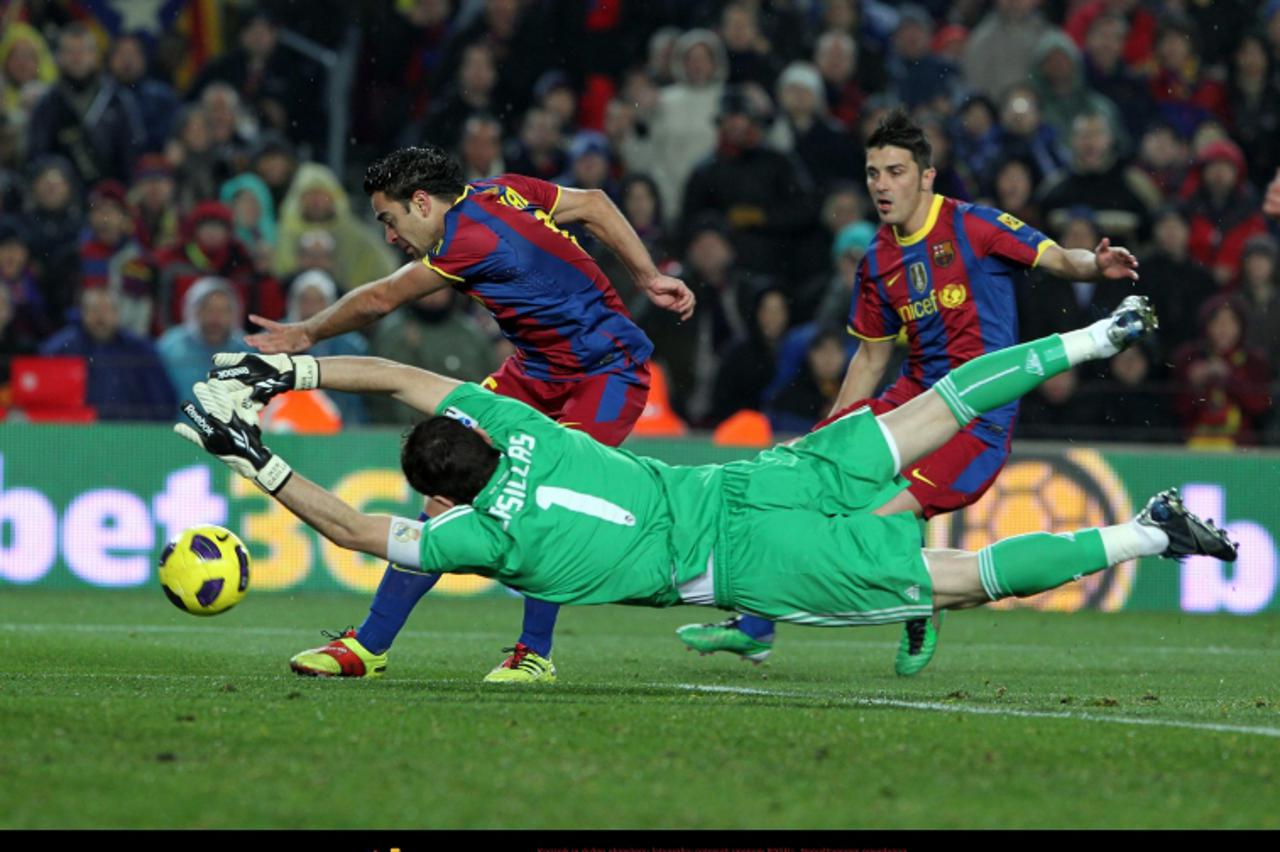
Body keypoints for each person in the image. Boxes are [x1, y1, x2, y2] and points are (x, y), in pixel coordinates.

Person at [176, 297, 1236, 670]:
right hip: (750, 483)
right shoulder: (518, 426)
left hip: (742, 559)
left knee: (956, 578)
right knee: (940, 402)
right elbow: (409, 377)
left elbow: (359, 533)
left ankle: (1143, 534)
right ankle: (1095, 334)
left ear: (446, 495)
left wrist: (256, 458)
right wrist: (294, 369)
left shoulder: (475, 541)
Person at [678, 109, 1141, 676]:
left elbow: (1057, 259)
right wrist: (829, 439)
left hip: (977, 422)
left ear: (927, 176)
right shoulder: (877, 258)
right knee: (795, 489)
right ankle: (756, 625)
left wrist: (1096, 264)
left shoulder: (974, 226)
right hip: (912, 398)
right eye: (873, 174)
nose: (881, 186)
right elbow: (872, 355)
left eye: (895, 172)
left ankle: (920, 603)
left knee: (871, 520)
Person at [244, 145, 694, 683]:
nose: (391, 236)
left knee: (540, 500)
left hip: (606, 375)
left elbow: (384, 297)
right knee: (444, 490)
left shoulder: (467, 240)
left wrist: (306, 333)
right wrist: (646, 277)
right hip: (535, 373)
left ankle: (535, 654)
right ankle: (368, 646)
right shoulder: (500, 190)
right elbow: (594, 203)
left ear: (421, 202)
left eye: (390, 220)